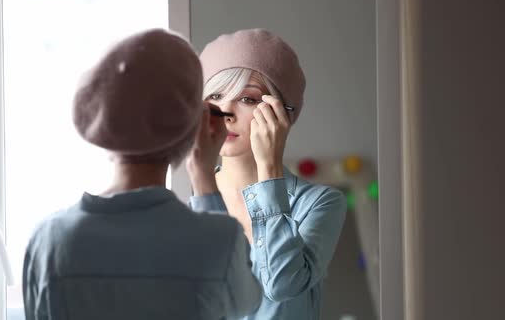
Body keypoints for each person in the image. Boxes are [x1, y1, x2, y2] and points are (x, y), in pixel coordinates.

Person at [22, 28, 262, 320]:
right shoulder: (218, 241)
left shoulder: (49, 238)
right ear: (193, 126)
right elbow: (247, 305)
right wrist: (203, 176)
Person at [185, 28, 347, 320]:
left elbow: (283, 285)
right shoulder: (186, 211)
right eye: (216, 95)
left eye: (247, 99)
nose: (226, 112)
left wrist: (269, 167)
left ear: (282, 113)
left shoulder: (319, 203)